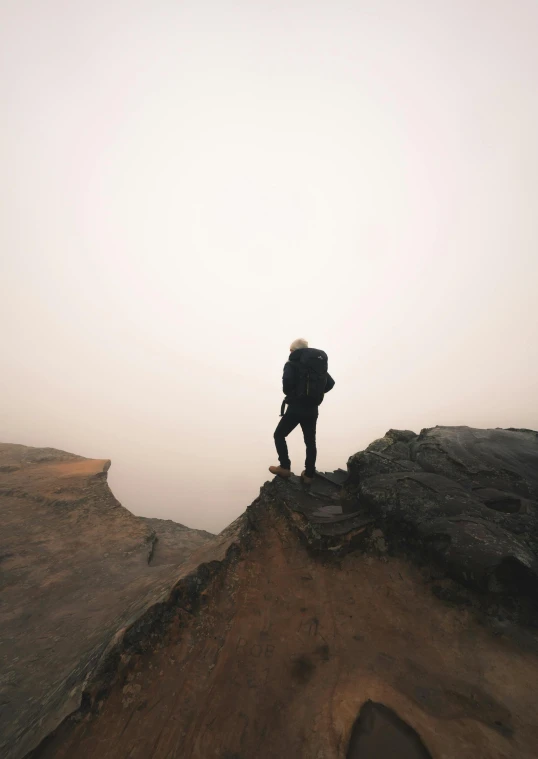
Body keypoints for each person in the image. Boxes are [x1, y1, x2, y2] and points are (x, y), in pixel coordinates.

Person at [269, 338, 335, 485]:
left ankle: (284, 467)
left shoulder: (291, 364)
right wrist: (316, 393)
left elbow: (286, 386)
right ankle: (309, 475)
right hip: (312, 409)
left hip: (296, 408)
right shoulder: (316, 366)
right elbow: (330, 383)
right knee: (310, 441)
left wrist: (295, 394)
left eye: (291, 350)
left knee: (279, 434)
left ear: (294, 351)